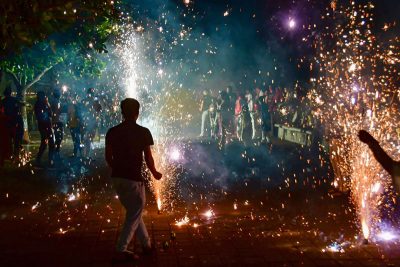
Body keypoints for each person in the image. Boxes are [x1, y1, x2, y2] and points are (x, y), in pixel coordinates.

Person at [106, 98, 162, 261]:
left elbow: (108, 156)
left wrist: (117, 170)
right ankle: (121, 249)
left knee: (134, 212)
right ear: (137, 113)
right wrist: (154, 172)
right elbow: (148, 157)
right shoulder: (143, 132)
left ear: (122, 113)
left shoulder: (112, 131)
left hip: (118, 179)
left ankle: (147, 245)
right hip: (133, 180)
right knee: (134, 213)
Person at [1, 87, 24, 160]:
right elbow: (19, 108)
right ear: (10, 93)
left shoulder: (3, 101)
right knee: (15, 140)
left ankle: (10, 155)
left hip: (7, 123)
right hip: (13, 123)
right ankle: (15, 155)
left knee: (9, 140)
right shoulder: (14, 100)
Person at [34, 91, 55, 167]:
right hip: (43, 126)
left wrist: (48, 105)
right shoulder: (38, 104)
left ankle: (50, 160)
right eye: (43, 96)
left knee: (51, 143)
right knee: (44, 143)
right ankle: (38, 159)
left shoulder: (46, 103)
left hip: (48, 126)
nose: (44, 97)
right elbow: (40, 116)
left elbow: (51, 114)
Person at [81, 88, 102, 159]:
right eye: (91, 93)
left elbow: (99, 109)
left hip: (91, 122)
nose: (91, 95)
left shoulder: (93, 101)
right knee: (87, 138)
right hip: (88, 122)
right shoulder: (87, 101)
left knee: (88, 138)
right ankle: (86, 155)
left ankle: (86, 155)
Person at [50, 88, 64, 160]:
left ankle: (57, 151)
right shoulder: (53, 102)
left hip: (59, 121)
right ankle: (55, 153)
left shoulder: (58, 101)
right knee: (58, 137)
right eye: (59, 94)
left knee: (60, 137)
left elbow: (59, 112)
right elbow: (52, 112)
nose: (60, 95)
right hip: (55, 122)